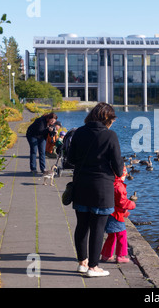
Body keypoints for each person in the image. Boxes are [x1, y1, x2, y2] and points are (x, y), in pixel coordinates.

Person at [67, 102, 124, 278]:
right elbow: (118, 167)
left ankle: (82, 263)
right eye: (112, 119)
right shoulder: (110, 135)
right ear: (106, 118)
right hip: (101, 188)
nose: (113, 123)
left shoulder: (79, 132)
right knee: (98, 228)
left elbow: (71, 159)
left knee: (82, 226)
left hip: (81, 184)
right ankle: (93, 267)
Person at [101, 166, 135, 263]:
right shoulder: (119, 187)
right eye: (124, 174)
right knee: (122, 234)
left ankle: (106, 255)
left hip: (110, 213)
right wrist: (132, 204)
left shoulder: (110, 183)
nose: (125, 176)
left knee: (111, 235)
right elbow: (122, 202)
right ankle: (120, 256)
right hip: (116, 215)